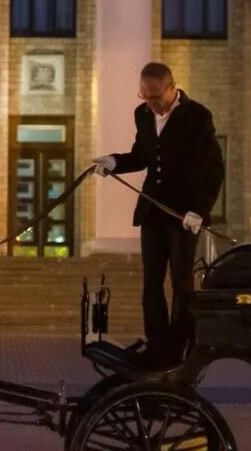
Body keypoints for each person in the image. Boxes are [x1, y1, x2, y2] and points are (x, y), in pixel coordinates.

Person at [92, 63, 225, 363]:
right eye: (144, 95)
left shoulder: (198, 117)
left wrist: (200, 211)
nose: (150, 102)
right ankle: (157, 344)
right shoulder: (142, 114)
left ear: (171, 87)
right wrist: (114, 162)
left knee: (181, 283)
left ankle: (177, 348)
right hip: (152, 211)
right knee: (151, 282)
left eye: (155, 96)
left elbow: (214, 170)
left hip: (183, 216)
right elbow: (142, 155)